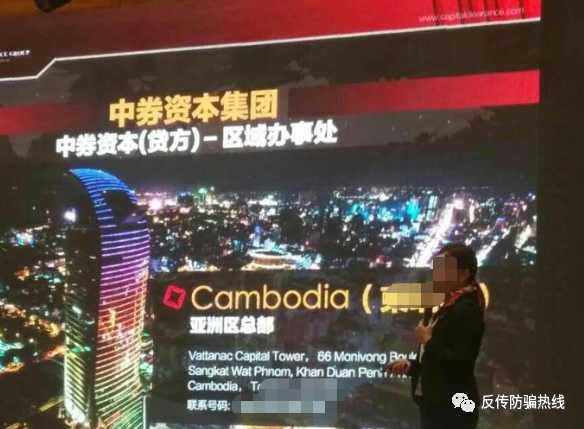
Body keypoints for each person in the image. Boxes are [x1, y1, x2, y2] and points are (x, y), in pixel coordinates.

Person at [386, 243, 486, 429]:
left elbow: (459, 364)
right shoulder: (449, 306)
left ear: (464, 274)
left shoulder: (467, 309)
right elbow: (438, 361)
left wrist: (427, 340)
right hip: (436, 406)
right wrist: (411, 366)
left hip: (454, 411)